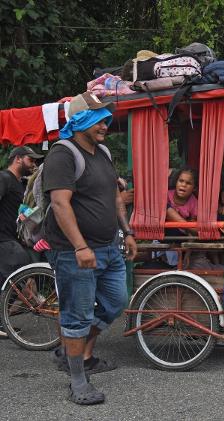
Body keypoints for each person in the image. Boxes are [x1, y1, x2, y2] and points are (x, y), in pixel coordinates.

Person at [43, 92, 137, 405]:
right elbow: (60, 202)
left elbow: (113, 197)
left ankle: (76, 351)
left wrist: (127, 231)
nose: (105, 124)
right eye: (98, 119)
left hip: (109, 246)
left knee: (115, 302)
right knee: (77, 315)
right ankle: (78, 380)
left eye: (105, 118)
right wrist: (80, 246)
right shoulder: (63, 154)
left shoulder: (104, 152)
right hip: (75, 251)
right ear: (80, 120)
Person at [0, 146, 41, 338]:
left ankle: (1, 322)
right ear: (17, 159)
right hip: (3, 239)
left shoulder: (19, 183)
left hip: (11, 237)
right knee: (23, 272)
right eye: (30, 159)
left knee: (5, 282)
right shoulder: (4, 178)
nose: (33, 163)